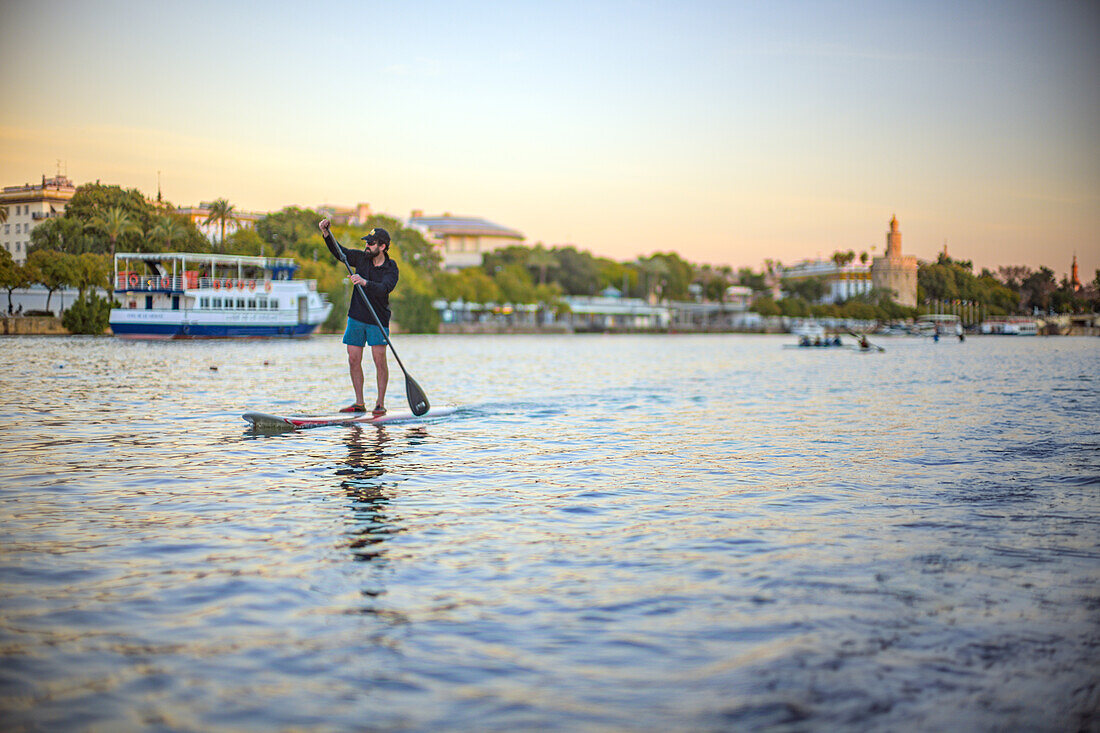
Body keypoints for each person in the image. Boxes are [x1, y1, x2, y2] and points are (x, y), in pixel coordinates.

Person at [318, 219, 399, 415]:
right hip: (356, 316)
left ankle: (379, 404)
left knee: (379, 360)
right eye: (366, 242)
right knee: (353, 359)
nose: (367, 246)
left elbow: (384, 288)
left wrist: (364, 282)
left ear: (382, 246)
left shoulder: (391, 267)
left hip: (377, 319)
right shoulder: (362, 258)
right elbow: (340, 252)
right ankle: (359, 403)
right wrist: (327, 234)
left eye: (371, 243)